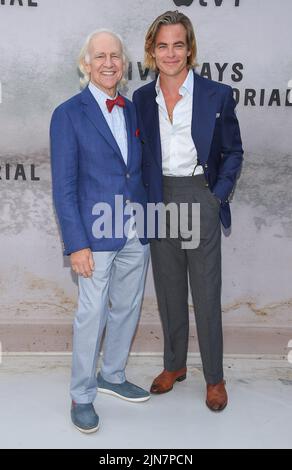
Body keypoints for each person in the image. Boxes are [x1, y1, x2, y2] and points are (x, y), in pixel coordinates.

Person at [133, 11, 243, 411]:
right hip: (160, 197)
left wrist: (218, 196)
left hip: (200, 195)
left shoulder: (217, 94)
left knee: (206, 290)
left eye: (178, 44)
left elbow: (233, 151)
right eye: (162, 45)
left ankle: (214, 377)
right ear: (151, 51)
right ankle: (174, 366)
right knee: (169, 290)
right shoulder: (142, 99)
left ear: (190, 49)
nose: (170, 52)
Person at [50, 29, 150, 434]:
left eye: (116, 56)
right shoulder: (68, 114)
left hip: (135, 228)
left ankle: (112, 374)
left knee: (126, 306)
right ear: (85, 64)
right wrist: (76, 244)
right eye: (100, 56)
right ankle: (82, 394)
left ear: (124, 64)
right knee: (91, 314)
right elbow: (65, 186)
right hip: (94, 234)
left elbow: (135, 170)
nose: (109, 62)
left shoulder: (131, 109)